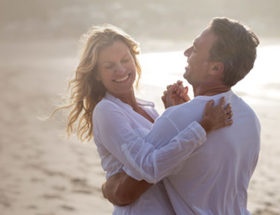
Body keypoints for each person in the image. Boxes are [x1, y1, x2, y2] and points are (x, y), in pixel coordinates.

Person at [59, 24, 233, 215]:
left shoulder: (147, 109)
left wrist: (173, 113)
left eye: (125, 60)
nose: (120, 70)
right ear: (97, 75)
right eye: (109, 66)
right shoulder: (106, 111)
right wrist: (203, 126)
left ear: (134, 61)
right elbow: (149, 167)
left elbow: (169, 156)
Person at [102, 17, 261, 215]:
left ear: (215, 68)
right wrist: (176, 112)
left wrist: (107, 187)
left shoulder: (177, 119)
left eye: (194, 48)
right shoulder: (250, 118)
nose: (186, 52)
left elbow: (126, 193)